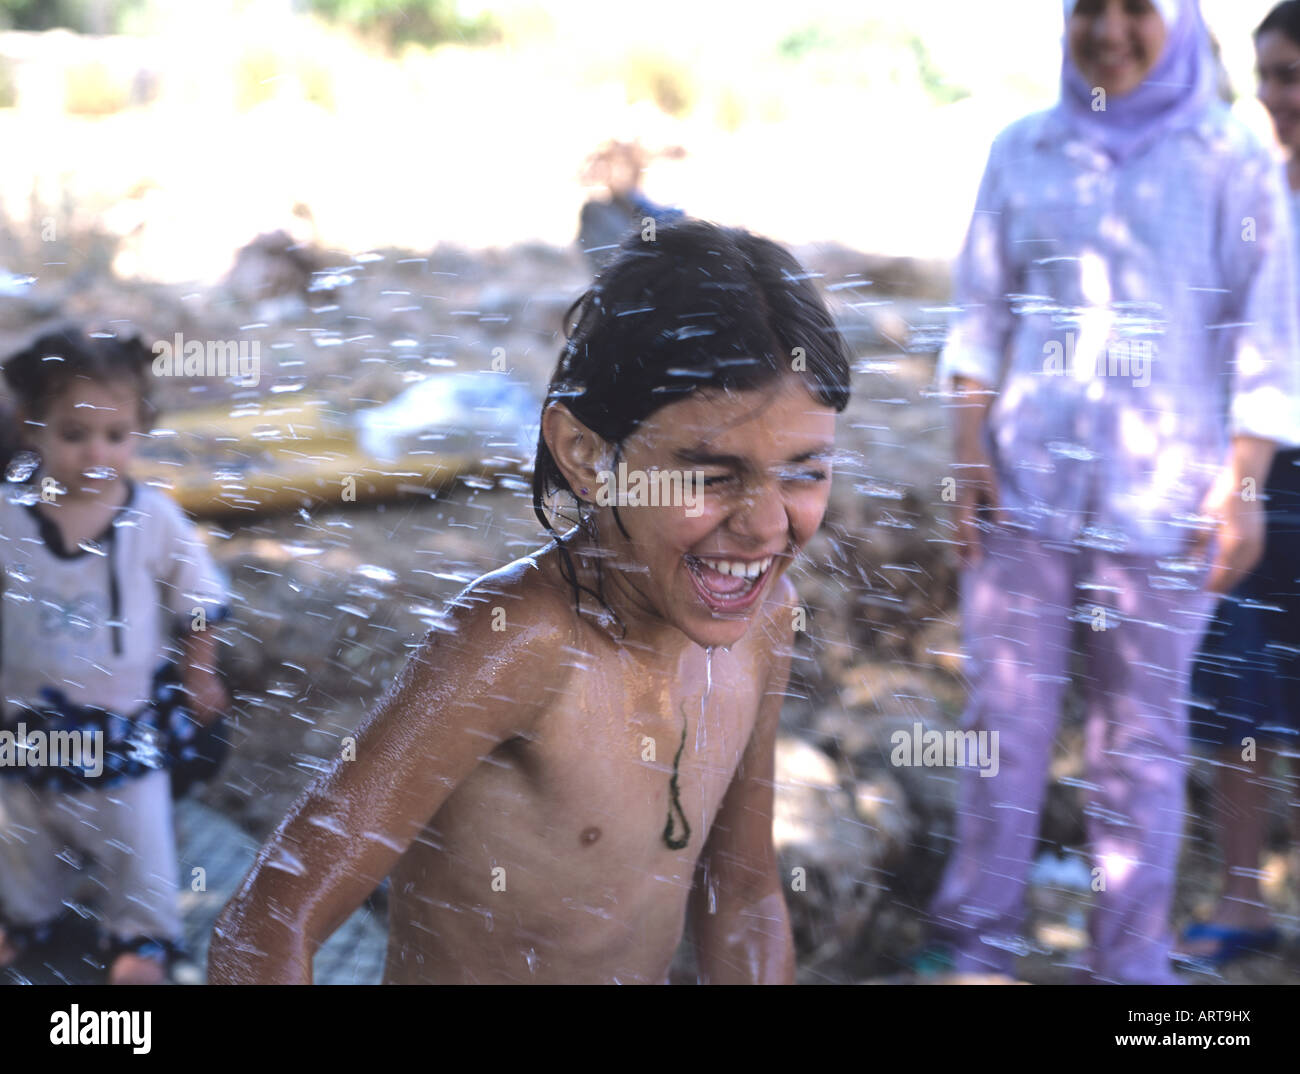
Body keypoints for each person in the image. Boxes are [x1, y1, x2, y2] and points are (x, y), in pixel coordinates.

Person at [207, 219, 851, 985]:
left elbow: (742, 892)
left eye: (803, 472)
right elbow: (267, 924)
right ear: (586, 454)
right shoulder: (519, 644)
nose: (766, 524)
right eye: (710, 474)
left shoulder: (765, 622)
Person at [928, 0, 1300, 984]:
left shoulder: (1232, 162)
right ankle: (977, 949)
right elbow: (978, 322)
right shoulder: (1022, 149)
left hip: (1164, 513)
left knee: (1137, 750)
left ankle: (1127, 967)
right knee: (997, 732)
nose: (1109, 31)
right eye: (1089, 6)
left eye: (1137, 8)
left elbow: (1265, 345)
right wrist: (966, 458)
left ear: (1174, 23)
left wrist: (1246, 485)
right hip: (1022, 501)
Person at [0, 328, 230, 984]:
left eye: (117, 435)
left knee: (138, 835)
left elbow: (198, 599)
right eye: (73, 435)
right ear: (31, 428)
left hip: (123, 725)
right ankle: (26, 917)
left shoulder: (151, 517)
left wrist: (200, 671)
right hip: (24, 722)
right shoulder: (8, 516)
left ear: (139, 430)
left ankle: (143, 937)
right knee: (22, 830)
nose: (96, 453)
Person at [1181, 0, 1300, 966]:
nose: (1276, 96)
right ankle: (1242, 898)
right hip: (1245, 471)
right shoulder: (1242, 187)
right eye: (1267, 73)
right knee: (1234, 686)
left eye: (1293, 74)